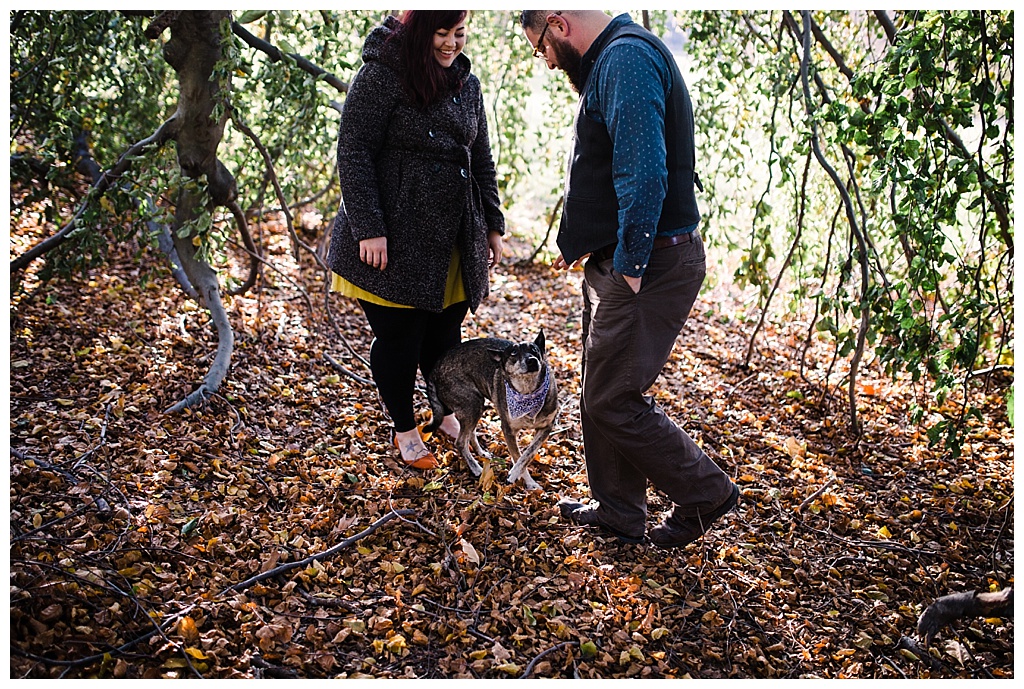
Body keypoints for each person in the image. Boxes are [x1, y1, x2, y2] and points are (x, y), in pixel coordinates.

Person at [518, 10, 738, 548]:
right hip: (624, 258)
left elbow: (645, 173)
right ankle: (618, 509)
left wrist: (632, 267)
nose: (545, 62)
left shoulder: (625, 58)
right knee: (601, 386)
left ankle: (705, 492)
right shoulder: (612, 58)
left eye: (540, 47)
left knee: (612, 397)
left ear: (558, 22)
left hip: (651, 262)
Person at [328, 10, 504, 470]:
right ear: (419, 31)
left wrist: (492, 225)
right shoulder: (383, 74)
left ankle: (443, 413)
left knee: (445, 334)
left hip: (453, 236)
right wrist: (369, 227)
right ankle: (404, 429)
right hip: (392, 237)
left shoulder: (468, 85)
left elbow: (480, 156)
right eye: (441, 34)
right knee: (400, 338)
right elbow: (353, 148)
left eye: (459, 34)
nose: (450, 44)